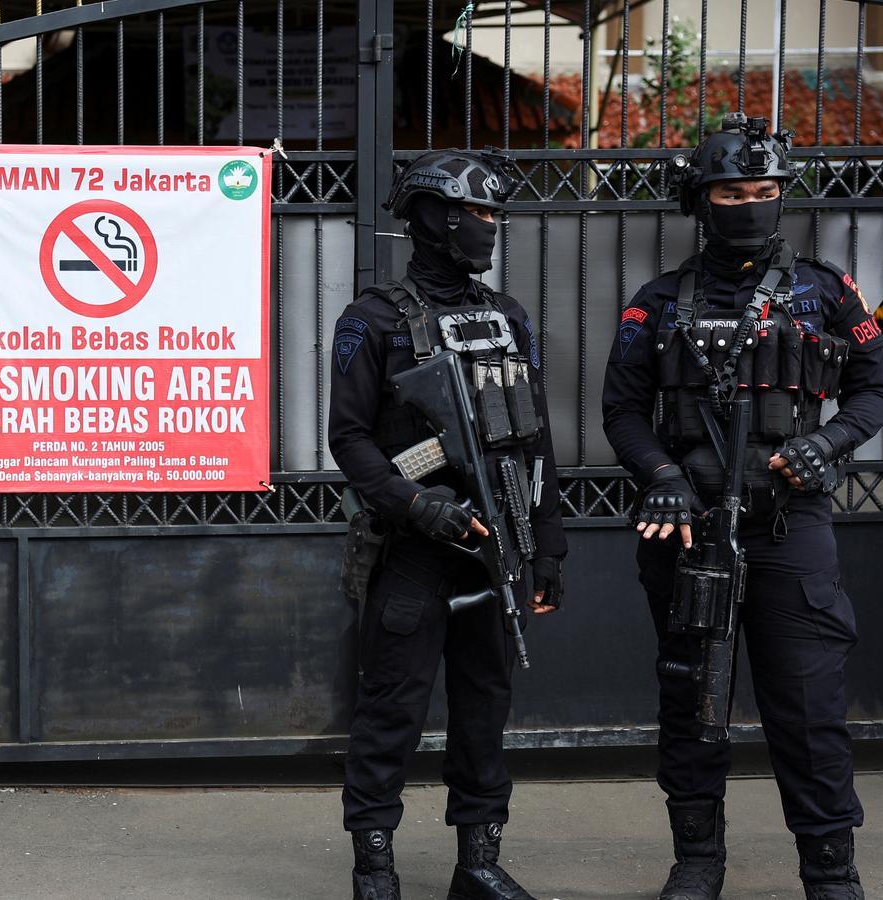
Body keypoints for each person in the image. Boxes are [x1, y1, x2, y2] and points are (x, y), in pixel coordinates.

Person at [601, 113, 883, 900]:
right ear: (701, 200)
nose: (751, 205)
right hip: (688, 528)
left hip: (789, 525)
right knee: (693, 699)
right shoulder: (657, 303)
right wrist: (660, 473)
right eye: (732, 192)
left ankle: (831, 872)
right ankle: (698, 861)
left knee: (809, 705)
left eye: (764, 190)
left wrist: (827, 443)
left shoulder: (826, 290)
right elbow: (622, 411)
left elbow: (874, 389)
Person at [329, 149, 568, 900]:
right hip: (415, 550)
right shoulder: (372, 319)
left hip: (496, 546)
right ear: (433, 218)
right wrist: (416, 502)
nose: (488, 225)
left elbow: (535, 440)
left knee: (483, 711)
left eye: (494, 213)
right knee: (390, 710)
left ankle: (479, 862)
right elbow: (350, 440)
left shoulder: (507, 316)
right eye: (477, 212)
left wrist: (547, 547)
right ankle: (374, 867)